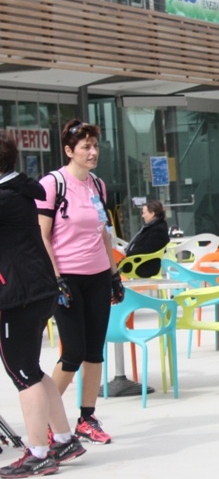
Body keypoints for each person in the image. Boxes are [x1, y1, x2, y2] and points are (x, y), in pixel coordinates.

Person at [0, 130, 88, 478]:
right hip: (39, 290)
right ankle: (64, 439)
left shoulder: (4, 198)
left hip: (19, 296)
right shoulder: (20, 190)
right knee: (33, 369)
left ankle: (38, 452)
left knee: (22, 373)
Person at [37, 119, 124, 445]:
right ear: (69, 150)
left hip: (98, 276)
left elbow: (103, 233)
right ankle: (47, 421)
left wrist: (114, 274)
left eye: (95, 146)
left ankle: (87, 418)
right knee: (72, 353)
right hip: (67, 278)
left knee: (94, 352)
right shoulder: (53, 184)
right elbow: (42, 236)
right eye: (86, 146)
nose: (93, 152)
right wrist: (56, 278)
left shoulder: (97, 186)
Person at [122, 200, 170, 277]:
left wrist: (127, 254)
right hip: (139, 263)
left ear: (152, 213)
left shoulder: (158, 229)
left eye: (144, 213)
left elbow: (146, 249)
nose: (142, 216)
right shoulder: (153, 226)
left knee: (110, 268)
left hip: (142, 266)